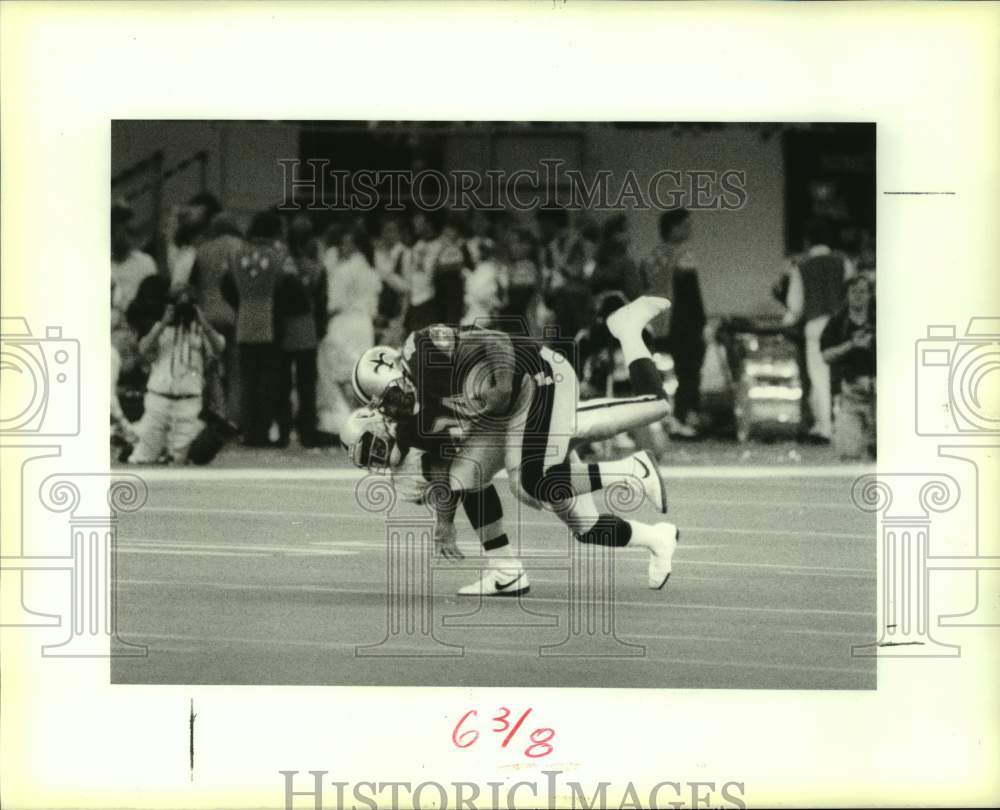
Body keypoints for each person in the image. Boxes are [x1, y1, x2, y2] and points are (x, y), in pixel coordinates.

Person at [347, 296, 680, 596]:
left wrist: (503, 384)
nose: (396, 404)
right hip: (509, 419)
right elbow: (442, 464)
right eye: (386, 404)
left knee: (531, 480)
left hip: (535, 376)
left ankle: (632, 469)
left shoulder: (423, 350)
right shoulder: (410, 429)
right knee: (475, 478)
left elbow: (495, 339)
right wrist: (445, 523)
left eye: (393, 395)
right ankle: (653, 539)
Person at [128, 285, 225, 464]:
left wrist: (202, 322)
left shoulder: (202, 331)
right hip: (159, 400)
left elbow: (219, 348)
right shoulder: (160, 328)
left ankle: (166, 452)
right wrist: (164, 322)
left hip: (188, 403)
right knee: (142, 458)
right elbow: (143, 350)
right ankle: (137, 444)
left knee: (180, 459)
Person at [781, 217, 855, 443]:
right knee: (843, 377)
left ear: (807, 240)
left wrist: (788, 320)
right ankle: (846, 424)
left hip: (815, 326)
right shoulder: (844, 262)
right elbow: (853, 292)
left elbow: (796, 305)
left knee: (819, 378)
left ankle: (825, 427)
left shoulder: (801, 266)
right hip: (842, 327)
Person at [221, 210, 285, 447]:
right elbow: (282, 285)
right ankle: (263, 431)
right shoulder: (277, 254)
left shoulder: (236, 254)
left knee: (247, 380)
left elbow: (225, 284)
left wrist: (240, 303)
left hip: (245, 320)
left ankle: (248, 432)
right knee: (267, 380)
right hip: (268, 322)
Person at [642, 208, 707, 439]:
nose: (690, 229)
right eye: (686, 225)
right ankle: (681, 417)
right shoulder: (683, 256)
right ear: (673, 228)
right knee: (688, 371)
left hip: (657, 322)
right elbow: (691, 294)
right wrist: (701, 322)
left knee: (661, 375)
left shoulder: (653, 257)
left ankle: (661, 419)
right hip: (682, 322)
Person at [316, 226, 381, 438]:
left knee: (334, 373)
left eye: (346, 243)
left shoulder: (344, 270)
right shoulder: (371, 270)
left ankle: (340, 422)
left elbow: (334, 302)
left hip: (343, 323)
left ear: (354, 245)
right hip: (364, 325)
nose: (342, 247)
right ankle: (363, 421)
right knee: (359, 375)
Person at [274, 214, 325, 448]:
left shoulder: (281, 265)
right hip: (307, 328)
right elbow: (322, 303)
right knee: (307, 384)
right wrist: (320, 332)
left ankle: (284, 432)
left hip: (284, 329)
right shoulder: (316, 268)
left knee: (282, 383)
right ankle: (307, 432)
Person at [191, 212, 243, 421]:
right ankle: (234, 418)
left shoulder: (203, 249)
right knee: (235, 370)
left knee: (209, 370)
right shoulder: (240, 247)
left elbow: (194, 283)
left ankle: (212, 416)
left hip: (207, 314)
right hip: (234, 313)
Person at [820, 275, 876, 460]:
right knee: (848, 453)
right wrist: (851, 344)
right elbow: (826, 355)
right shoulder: (837, 323)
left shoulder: (880, 321)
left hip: (879, 394)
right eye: (854, 292)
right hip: (850, 394)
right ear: (847, 295)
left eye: (863, 292)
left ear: (870, 294)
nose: (858, 296)